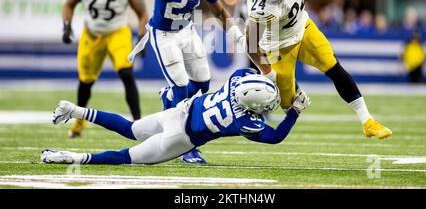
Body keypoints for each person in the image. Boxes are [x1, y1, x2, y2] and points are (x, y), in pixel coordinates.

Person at [118, 0, 245, 163]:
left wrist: (235, 32)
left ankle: (169, 100)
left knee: (202, 86)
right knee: (181, 86)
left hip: (187, 30)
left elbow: (216, 7)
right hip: (163, 33)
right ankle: (184, 147)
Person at [242, 0, 392, 139]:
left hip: (303, 28)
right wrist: (267, 72)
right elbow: (251, 45)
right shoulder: (261, 6)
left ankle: (367, 120)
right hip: (278, 47)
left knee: (333, 66)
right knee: (289, 104)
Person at [41, 69, 310, 165]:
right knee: (126, 156)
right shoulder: (243, 122)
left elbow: (248, 76)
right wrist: (294, 111)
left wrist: (270, 80)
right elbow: (274, 137)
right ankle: (72, 158)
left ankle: (74, 110)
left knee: (129, 127)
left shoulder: (235, 79)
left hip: (177, 112)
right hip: (179, 138)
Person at [62, 0, 148, 138]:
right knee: (85, 83)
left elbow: (143, 13)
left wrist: (142, 36)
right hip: (92, 34)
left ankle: (139, 124)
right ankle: (78, 124)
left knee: (126, 74)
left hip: (117, 31)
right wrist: (66, 25)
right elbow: (69, 4)